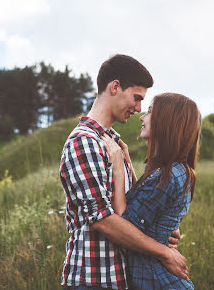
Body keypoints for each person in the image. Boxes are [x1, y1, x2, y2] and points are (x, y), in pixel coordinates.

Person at [59, 54, 188, 290]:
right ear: (115, 87)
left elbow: (134, 208)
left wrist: (161, 229)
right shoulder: (84, 142)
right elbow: (103, 221)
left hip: (120, 278)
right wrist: (163, 252)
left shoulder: (115, 144)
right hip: (94, 279)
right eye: (136, 98)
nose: (138, 109)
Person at [101, 93, 200, 289]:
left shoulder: (169, 175)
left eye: (150, 111)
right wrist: (128, 161)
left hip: (158, 280)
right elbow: (147, 201)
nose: (141, 116)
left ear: (166, 122)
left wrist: (119, 168)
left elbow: (125, 223)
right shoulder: (174, 171)